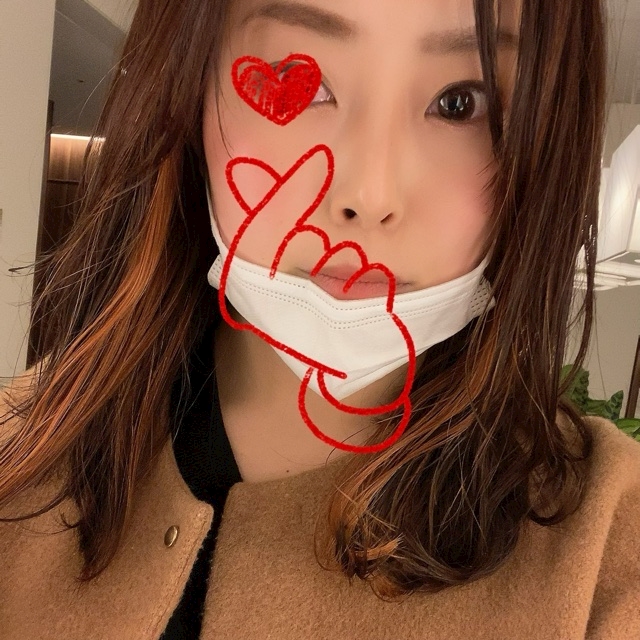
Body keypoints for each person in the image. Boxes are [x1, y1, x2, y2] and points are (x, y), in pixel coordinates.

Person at [1, 0, 638, 638]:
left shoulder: (609, 550)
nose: (370, 195)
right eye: (304, 81)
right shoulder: (20, 455)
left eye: (459, 103)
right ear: (189, 89)